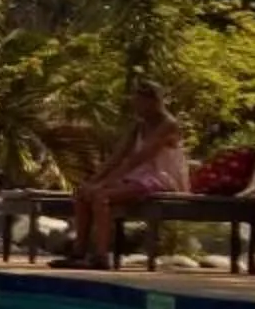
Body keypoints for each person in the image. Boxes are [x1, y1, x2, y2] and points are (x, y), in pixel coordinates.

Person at [62, 84, 187, 269]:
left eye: (139, 101)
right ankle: (78, 252)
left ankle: (101, 256)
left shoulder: (168, 124)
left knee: (101, 196)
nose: (135, 105)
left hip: (161, 178)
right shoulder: (139, 125)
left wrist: (105, 184)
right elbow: (117, 157)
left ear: (153, 102)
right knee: (82, 194)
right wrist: (93, 181)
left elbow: (139, 157)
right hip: (138, 176)